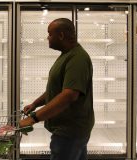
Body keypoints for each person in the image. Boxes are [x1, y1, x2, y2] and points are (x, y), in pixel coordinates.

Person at [19, 18, 95, 160]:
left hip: (70, 132)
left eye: (50, 34)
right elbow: (59, 88)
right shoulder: (66, 55)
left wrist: (33, 118)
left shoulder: (77, 58)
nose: (47, 37)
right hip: (71, 130)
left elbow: (68, 95)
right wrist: (35, 104)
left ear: (61, 35)